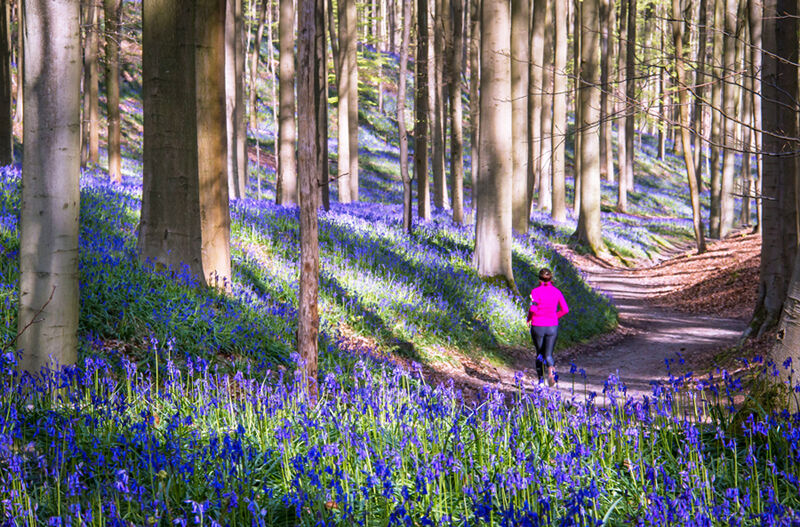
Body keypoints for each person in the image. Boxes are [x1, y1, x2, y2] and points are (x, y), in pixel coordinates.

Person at [526, 268, 569, 386]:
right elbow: (565, 309)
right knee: (549, 354)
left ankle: (540, 381)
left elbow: (532, 309)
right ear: (551, 279)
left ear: (539, 280)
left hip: (538, 325)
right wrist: (555, 316)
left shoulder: (535, 292)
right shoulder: (557, 292)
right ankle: (551, 371)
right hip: (552, 326)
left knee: (540, 354)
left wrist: (529, 319)